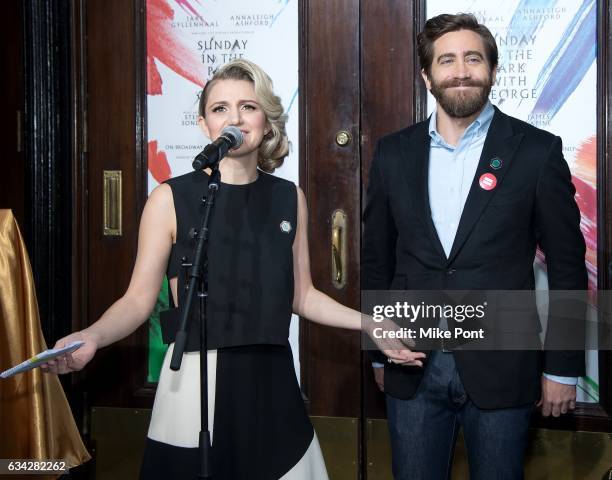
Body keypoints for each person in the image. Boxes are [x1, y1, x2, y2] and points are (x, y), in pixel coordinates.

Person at [42, 59, 420, 479]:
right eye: (220, 108)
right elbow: (137, 299)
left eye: (248, 106)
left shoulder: (287, 197)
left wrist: (370, 324)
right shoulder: (171, 198)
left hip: (271, 376)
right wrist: (92, 336)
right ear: (205, 124)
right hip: (195, 377)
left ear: (266, 121)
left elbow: (302, 295)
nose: (235, 118)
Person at [361, 13, 587, 480]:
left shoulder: (536, 151)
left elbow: (567, 266)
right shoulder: (392, 153)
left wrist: (564, 368)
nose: (461, 70)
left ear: (492, 70)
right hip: (411, 362)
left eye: (472, 58)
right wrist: (377, 350)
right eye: (447, 60)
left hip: (504, 367)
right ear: (427, 76)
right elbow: (377, 260)